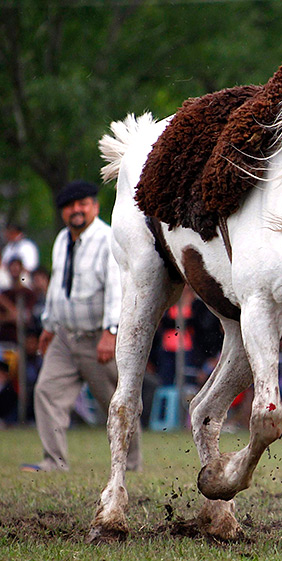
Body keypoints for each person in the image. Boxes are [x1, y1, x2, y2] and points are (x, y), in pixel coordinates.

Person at [22, 180, 141, 472]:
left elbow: (116, 289)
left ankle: (131, 465)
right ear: (63, 211)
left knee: (117, 403)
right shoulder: (63, 239)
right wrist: (48, 326)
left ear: (95, 207)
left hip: (96, 337)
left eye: (82, 204)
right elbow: (57, 288)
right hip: (65, 335)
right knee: (47, 392)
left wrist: (111, 332)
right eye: (70, 205)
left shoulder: (107, 238)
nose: (76, 210)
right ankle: (54, 462)